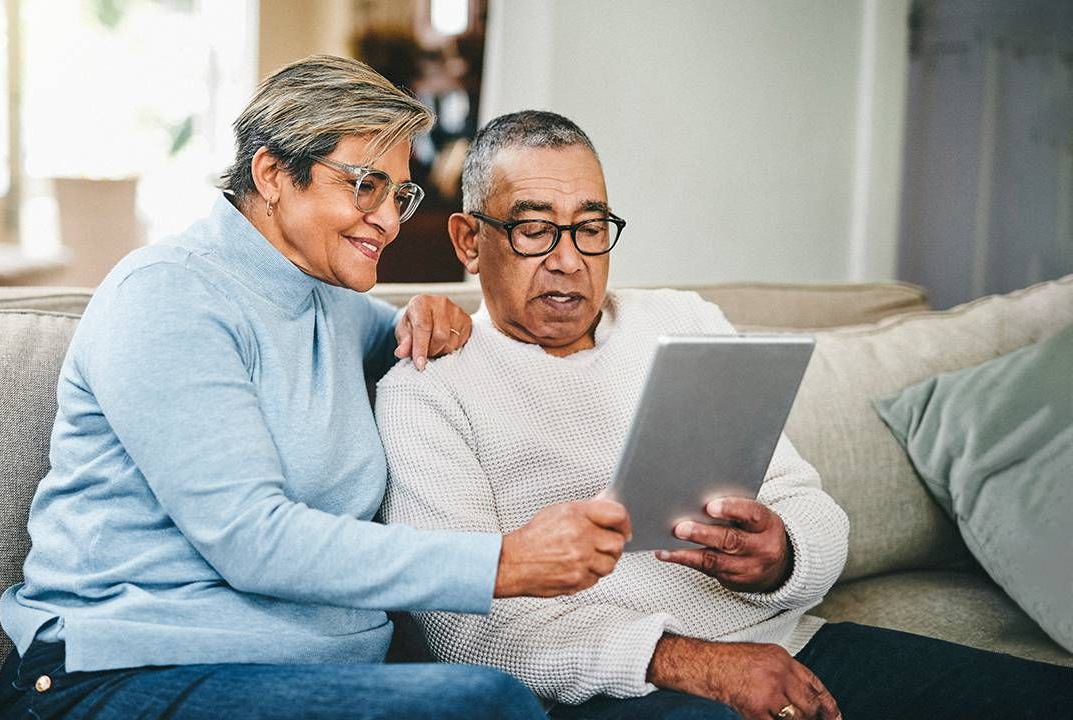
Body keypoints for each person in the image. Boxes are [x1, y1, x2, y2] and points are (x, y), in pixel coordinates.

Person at [0, 59, 634, 720]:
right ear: (271, 175)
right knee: (485, 705)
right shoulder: (168, 295)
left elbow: (428, 343)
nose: (387, 220)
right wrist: (503, 563)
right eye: (364, 186)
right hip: (114, 676)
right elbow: (253, 540)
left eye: (399, 196)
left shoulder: (331, 303)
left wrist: (430, 316)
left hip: (309, 675)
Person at [375, 109, 1073, 720]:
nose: (569, 260)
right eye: (534, 230)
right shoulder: (430, 386)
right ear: (470, 241)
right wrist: (699, 664)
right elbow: (463, 629)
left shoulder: (683, 321)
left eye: (591, 229)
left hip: (790, 646)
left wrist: (782, 554)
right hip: (617, 692)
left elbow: (812, 508)